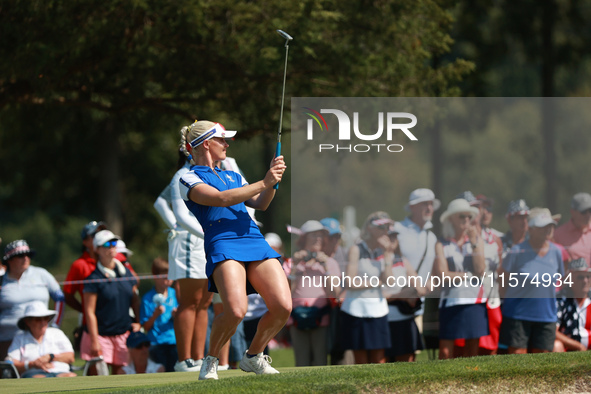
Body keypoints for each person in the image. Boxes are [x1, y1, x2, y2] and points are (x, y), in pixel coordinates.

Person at [178, 120, 290, 380]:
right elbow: (221, 199)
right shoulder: (188, 178)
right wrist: (265, 181)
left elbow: (260, 204)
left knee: (282, 306)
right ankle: (211, 359)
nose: (227, 144)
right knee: (236, 310)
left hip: (253, 238)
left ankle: (253, 357)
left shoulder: (232, 175)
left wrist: (273, 181)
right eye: (222, 140)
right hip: (223, 242)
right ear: (206, 143)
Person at [155, 149, 212, 372]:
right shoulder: (183, 174)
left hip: (206, 239)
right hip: (190, 242)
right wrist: (176, 228)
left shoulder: (206, 173)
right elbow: (160, 203)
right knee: (190, 301)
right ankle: (184, 359)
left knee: (204, 303)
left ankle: (198, 358)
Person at [499, 211, 564, 354]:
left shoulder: (556, 252)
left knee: (541, 364)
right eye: (543, 226)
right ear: (532, 229)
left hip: (546, 315)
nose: (548, 230)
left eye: (550, 226)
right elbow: (502, 281)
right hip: (518, 315)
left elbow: (559, 283)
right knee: (518, 359)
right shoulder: (517, 251)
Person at [434, 199, 488, 359]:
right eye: (462, 216)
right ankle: (443, 381)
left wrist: (474, 244)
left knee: (472, 350)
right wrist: (467, 276)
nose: (466, 220)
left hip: (474, 300)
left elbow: (480, 270)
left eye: (469, 217)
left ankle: (469, 381)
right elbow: (443, 274)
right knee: (445, 350)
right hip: (451, 300)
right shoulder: (441, 244)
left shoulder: (477, 242)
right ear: (451, 219)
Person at [81, 230, 141, 375]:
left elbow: (135, 300)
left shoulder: (126, 273)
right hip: (100, 335)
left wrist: (139, 322)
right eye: (107, 244)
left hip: (123, 333)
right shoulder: (93, 278)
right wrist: (95, 341)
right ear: (97, 249)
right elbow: (89, 312)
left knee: (121, 374)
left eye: (114, 243)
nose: (111, 247)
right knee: (99, 377)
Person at [340, 211, 394, 364]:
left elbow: (389, 281)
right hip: (356, 310)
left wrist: (388, 254)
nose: (385, 231)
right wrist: (377, 282)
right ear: (370, 228)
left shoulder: (384, 251)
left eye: (387, 227)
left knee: (380, 358)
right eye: (381, 227)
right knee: (361, 359)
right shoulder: (356, 249)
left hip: (378, 309)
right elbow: (350, 282)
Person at [287, 220, 341, 366]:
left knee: (320, 359)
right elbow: (286, 293)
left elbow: (335, 294)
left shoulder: (330, 262)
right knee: (301, 360)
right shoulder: (293, 262)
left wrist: (326, 269)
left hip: (321, 316)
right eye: (313, 235)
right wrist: (295, 269)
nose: (318, 239)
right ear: (304, 238)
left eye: (320, 235)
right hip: (297, 317)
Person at [0, 240, 65, 360]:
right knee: (8, 374)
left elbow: (60, 298)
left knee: (43, 372)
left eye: (28, 254)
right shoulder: (1, 280)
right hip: (7, 339)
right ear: (9, 260)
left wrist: (55, 325)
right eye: (20, 255)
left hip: (40, 338)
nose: (25, 258)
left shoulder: (41, 274)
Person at [393, 188, 440, 335]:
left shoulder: (431, 237)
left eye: (431, 204)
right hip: (396, 299)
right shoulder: (397, 230)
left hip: (418, 303)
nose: (429, 208)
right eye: (424, 204)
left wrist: (430, 283)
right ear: (412, 207)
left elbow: (434, 268)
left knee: (412, 352)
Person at [384, 225, 428, 362]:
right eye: (389, 236)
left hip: (403, 319)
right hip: (382, 319)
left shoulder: (402, 260)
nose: (393, 239)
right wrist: (401, 295)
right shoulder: (375, 261)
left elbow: (420, 289)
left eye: (394, 236)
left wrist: (408, 292)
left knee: (406, 365)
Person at [6, 302, 76, 378]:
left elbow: (70, 357)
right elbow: (13, 364)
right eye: (38, 319)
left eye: (45, 318)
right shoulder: (19, 338)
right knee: (38, 379)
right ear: (28, 321)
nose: (43, 322)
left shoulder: (57, 333)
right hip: (33, 374)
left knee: (71, 376)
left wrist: (51, 357)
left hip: (61, 372)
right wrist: (32, 364)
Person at [140, 257, 178, 372]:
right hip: (156, 344)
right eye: (164, 277)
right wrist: (155, 315)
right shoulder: (147, 298)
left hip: (174, 342)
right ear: (155, 277)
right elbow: (146, 326)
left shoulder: (175, 294)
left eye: (170, 277)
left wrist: (177, 316)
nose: (168, 280)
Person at [554, 258, 591, 352]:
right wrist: (578, 346)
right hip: (568, 350)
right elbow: (553, 331)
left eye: (588, 276)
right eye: (580, 277)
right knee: (556, 345)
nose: (585, 281)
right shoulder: (560, 300)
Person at [554, 192, 591, 264]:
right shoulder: (558, 234)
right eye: (583, 211)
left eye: (590, 210)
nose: (588, 215)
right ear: (573, 212)